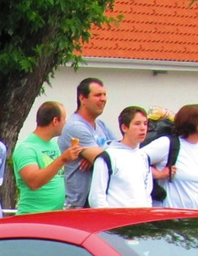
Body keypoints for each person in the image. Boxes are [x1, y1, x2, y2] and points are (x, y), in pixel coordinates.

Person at [12, 101, 83, 214]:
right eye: (64, 119)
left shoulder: (53, 144)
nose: (65, 123)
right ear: (55, 121)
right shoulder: (26, 148)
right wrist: (62, 159)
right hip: (33, 216)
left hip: (54, 216)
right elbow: (33, 182)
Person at [144, 103, 198, 210]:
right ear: (193, 123)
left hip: (196, 220)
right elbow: (135, 160)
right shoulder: (168, 144)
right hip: (169, 219)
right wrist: (158, 174)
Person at [61, 78, 117, 207]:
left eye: (104, 94)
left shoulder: (102, 125)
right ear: (83, 99)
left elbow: (120, 153)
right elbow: (109, 161)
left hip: (99, 202)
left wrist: (98, 157)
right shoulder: (75, 126)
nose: (103, 99)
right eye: (97, 95)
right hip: (80, 206)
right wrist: (100, 158)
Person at [89, 106, 154, 208]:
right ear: (124, 128)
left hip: (140, 220)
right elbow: (96, 198)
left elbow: (147, 194)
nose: (143, 128)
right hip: (118, 220)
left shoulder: (144, 157)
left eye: (145, 124)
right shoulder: (108, 157)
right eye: (137, 124)